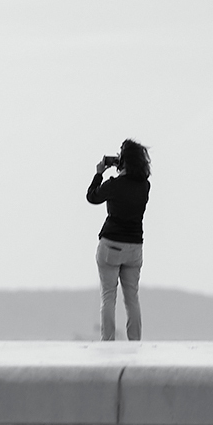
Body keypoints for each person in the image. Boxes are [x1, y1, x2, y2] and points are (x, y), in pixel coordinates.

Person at [86, 138, 151, 341]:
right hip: (134, 246)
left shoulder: (114, 185)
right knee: (132, 298)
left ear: (122, 161)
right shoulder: (145, 186)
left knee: (108, 296)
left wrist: (99, 173)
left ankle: (108, 341)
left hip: (111, 245)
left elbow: (92, 197)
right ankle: (135, 342)